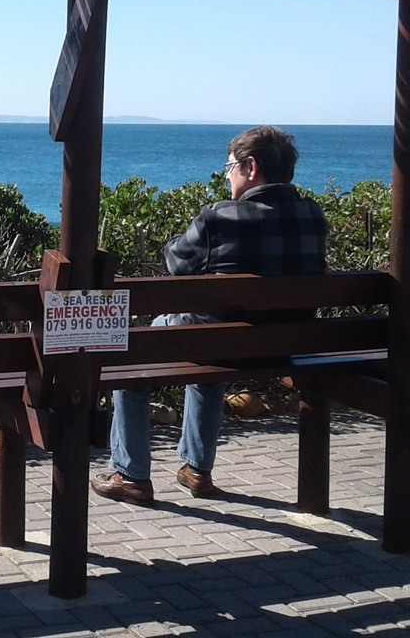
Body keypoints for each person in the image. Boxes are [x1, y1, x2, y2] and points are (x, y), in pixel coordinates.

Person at [91, 125, 327, 506]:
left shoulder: (220, 217)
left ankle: (131, 474)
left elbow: (176, 263)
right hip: (284, 348)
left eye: (229, 166)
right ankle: (196, 470)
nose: (226, 174)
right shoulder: (312, 216)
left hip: (221, 343)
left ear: (251, 167)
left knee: (133, 353)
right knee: (211, 336)